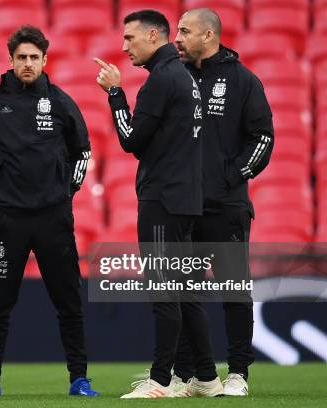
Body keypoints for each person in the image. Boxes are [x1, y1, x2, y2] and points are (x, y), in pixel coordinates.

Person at [0, 26, 99, 398]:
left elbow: (82, 151)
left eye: (33, 57)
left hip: (53, 219)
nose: (27, 63)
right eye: (21, 57)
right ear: (11, 60)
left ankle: (79, 379)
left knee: (68, 300)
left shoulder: (60, 101)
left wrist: (65, 192)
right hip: (9, 220)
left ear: (44, 60)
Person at [94, 10, 221, 398]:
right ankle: (207, 378)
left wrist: (115, 94)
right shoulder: (184, 77)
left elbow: (131, 140)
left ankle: (161, 380)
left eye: (130, 38)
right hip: (185, 199)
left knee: (164, 290)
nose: (123, 46)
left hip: (163, 199)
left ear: (153, 36)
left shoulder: (161, 81)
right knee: (184, 291)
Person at [173, 8, 274, 397]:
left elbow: (262, 138)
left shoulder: (243, 81)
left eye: (185, 31)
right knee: (183, 290)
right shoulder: (175, 79)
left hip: (225, 205)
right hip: (182, 206)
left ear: (209, 35)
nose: (177, 38)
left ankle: (237, 373)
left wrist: (231, 177)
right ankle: (185, 374)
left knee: (234, 289)